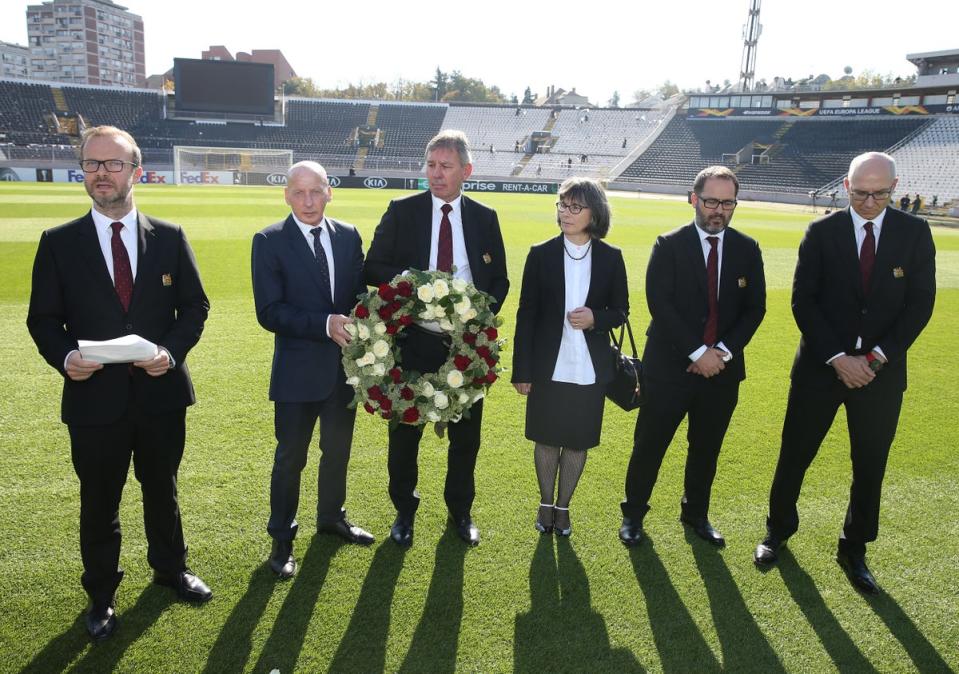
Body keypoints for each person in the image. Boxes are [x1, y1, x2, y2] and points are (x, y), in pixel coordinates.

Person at [26, 126, 212, 642]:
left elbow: (194, 307)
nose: (101, 173)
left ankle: (171, 570)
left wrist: (170, 354)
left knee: (162, 489)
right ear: (82, 170)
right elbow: (43, 318)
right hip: (93, 399)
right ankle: (102, 596)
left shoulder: (170, 237)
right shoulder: (59, 242)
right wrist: (65, 356)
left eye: (112, 164)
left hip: (160, 395)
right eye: (91, 164)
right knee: (99, 500)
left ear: (136, 169)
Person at [754, 152, 936, 594]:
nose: (869, 202)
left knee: (870, 463)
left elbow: (919, 305)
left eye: (880, 193)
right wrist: (838, 357)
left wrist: (873, 360)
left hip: (881, 374)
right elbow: (804, 301)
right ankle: (777, 531)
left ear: (895, 187)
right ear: (845, 186)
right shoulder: (821, 231)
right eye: (860, 193)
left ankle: (854, 548)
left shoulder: (915, 232)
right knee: (795, 452)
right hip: (820, 368)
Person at [365, 130, 509, 547]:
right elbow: (372, 267)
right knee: (405, 433)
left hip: (467, 344)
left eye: (446, 167)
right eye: (431, 165)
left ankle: (460, 512)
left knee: (467, 437)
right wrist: (411, 285)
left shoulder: (485, 217)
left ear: (467, 170)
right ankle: (403, 512)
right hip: (413, 340)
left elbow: (499, 279)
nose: (436, 174)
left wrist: (478, 317)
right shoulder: (401, 210)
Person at [619, 166, 767, 547]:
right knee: (650, 444)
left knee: (707, 448)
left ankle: (696, 513)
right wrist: (698, 352)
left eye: (727, 203)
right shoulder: (667, 245)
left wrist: (721, 353)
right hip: (669, 368)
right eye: (711, 201)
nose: (718, 210)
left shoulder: (748, 248)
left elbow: (755, 309)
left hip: (723, 371)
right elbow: (660, 305)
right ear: (693, 199)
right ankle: (633, 514)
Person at [252, 161, 374, 579]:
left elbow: (358, 296)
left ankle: (331, 518)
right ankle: (281, 541)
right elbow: (269, 312)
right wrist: (325, 324)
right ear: (286, 194)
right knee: (291, 459)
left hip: (343, 371)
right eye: (299, 192)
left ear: (329, 192)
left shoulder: (349, 235)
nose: (308, 201)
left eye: (316, 191)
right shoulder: (268, 241)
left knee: (337, 452)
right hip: (296, 374)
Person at [512, 178, 628, 537]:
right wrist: (522, 370)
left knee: (577, 441)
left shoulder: (611, 257)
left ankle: (564, 509)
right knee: (546, 439)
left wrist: (596, 317)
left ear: (595, 213)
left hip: (590, 369)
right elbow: (525, 314)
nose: (565, 212)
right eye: (562, 205)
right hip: (549, 368)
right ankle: (545, 505)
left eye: (575, 207)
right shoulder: (540, 253)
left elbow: (621, 311)